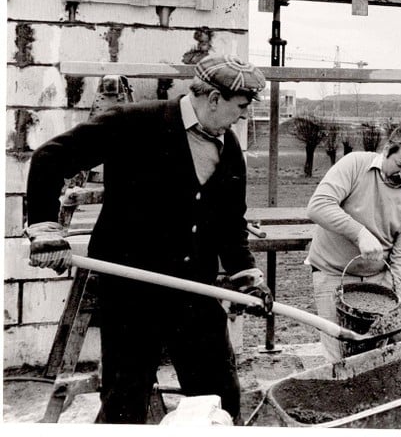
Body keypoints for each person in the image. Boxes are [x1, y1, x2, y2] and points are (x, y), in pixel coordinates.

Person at [25, 54, 272, 424]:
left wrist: (246, 275)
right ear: (214, 99)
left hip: (194, 290)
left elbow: (229, 221)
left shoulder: (230, 147)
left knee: (219, 396)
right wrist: (45, 229)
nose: (243, 117)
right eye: (240, 108)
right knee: (126, 399)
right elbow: (50, 157)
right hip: (131, 290)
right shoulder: (135, 123)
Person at [305, 121, 401, 362]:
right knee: (342, 356)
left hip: (380, 282)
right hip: (333, 275)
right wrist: (359, 233)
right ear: (387, 151)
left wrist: (389, 297)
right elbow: (318, 206)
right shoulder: (354, 165)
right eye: (400, 165)